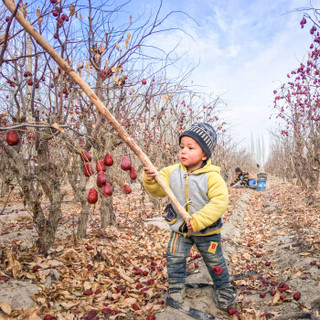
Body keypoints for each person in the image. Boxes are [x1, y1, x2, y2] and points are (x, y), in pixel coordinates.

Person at [142, 122, 237, 312]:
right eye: (182, 147)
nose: (183, 151)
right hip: (180, 229)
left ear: (204, 155)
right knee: (174, 257)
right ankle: (176, 288)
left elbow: (219, 202)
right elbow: (158, 192)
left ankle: (224, 288)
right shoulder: (171, 172)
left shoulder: (212, 177)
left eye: (190, 148)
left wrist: (198, 220)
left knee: (214, 260)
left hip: (207, 231)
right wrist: (150, 179)